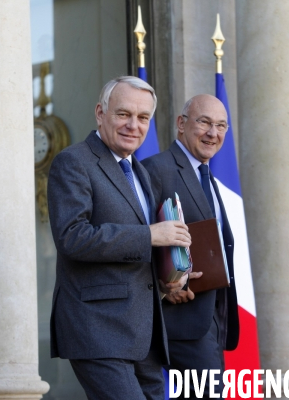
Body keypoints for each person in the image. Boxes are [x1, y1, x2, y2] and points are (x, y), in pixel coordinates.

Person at [47, 76, 191, 400]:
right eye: (123, 114)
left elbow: (145, 249)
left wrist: (170, 277)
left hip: (146, 336)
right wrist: (149, 235)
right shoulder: (74, 162)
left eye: (143, 118)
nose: (133, 125)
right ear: (101, 113)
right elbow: (72, 237)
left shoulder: (142, 173)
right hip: (98, 330)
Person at [142, 94, 240, 399]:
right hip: (179, 320)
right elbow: (139, 235)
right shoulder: (155, 169)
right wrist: (163, 286)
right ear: (181, 124)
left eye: (221, 125)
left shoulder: (208, 175)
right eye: (205, 123)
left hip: (211, 315)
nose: (214, 133)